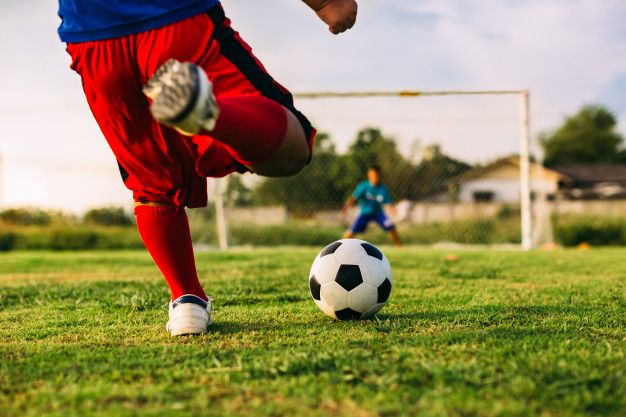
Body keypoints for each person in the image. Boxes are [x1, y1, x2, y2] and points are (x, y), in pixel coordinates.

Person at [57, 0, 359, 336]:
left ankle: (187, 301)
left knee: (152, 180)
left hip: (93, 41)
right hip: (173, 17)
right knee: (293, 148)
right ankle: (206, 111)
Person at [341, 166, 402, 246]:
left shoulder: (382, 188)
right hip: (364, 213)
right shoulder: (363, 186)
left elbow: (388, 203)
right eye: (373, 175)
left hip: (378, 213)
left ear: (379, 176)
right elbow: (353, 198)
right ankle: (341, 246)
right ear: (369, 175)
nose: (375, 177)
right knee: (352, 231)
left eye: (376, 175)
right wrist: (345, 208)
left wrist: (393, 211)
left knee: (391, 227)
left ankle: (399, 247)